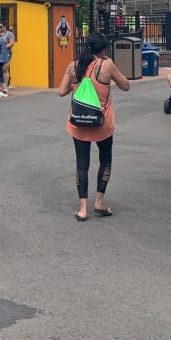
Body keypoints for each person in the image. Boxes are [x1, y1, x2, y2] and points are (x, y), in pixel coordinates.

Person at [57, 32, 130, 222]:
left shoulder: (73, 66)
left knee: (82, 164)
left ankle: (83, 209)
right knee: (105, 160)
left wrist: (77, 84)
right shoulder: (106, 65)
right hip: (102, 123)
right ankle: (99, 202)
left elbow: (61, 91)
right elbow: (125, 85)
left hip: (78, 123)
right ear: (103, 49)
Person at [0, 22, 15, 97]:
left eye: (1, 27)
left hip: (7, 52)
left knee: (5, 69)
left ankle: (5, 85)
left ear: (5, 26)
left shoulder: (9, 34)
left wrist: (4, 47)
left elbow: (12, 43)